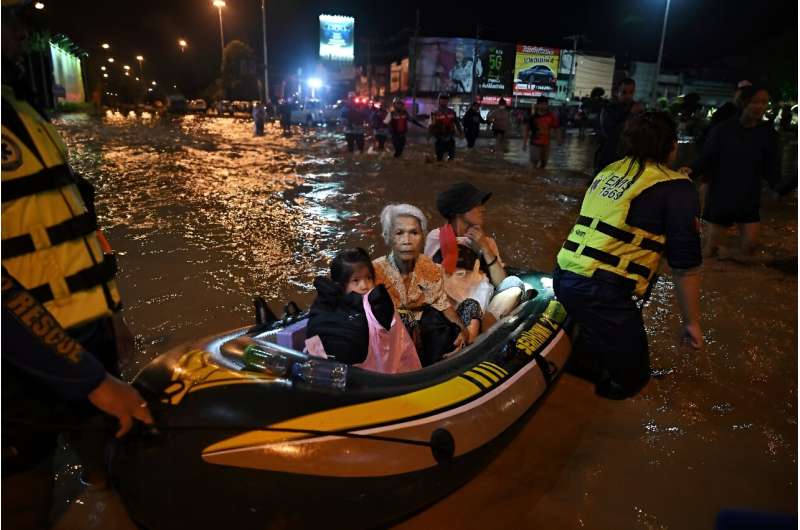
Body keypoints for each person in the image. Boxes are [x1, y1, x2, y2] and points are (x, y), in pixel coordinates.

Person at [2, 3, 153, 527]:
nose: (21, 33)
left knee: (106, 476)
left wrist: (109, 313)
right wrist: (88, 378)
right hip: (21, 368)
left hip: (85, 342)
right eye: (8, 19)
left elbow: (69, 227)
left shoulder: (21, 113)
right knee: (23, 497)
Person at [554, 112, 703, 399]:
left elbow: (641, 203)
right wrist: (691, 323)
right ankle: (590, 407)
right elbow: (685, 266)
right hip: (602, 293)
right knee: (635, 382)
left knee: (599, 350)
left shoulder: (610, 170)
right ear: (672, 147)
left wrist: (678, 185)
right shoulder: (678, 190)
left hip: (565, 276)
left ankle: (577, 382)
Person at [685, 85, 782, 258]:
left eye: (764, 102)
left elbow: (772, 164)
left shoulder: (767, 133)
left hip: (749, 196)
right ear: (744, 103)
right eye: (755, 102)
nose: (760, 106)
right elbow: (706, 158)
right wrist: (689, 172)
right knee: (711, 252)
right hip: (722, 196)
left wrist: (778, 187)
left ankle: (730, 259)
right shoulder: (723, 130)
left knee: (749, 250)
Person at [424, 182, 525, 341]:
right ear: (459, 211)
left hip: (483, 309)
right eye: (476, 205)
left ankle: (483, 328)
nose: (482, 209)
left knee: (514, 283)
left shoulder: (487, 242)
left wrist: (483, 246)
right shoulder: (436, 237)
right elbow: (428, 279)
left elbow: (501, 282)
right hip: (452, 310)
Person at [373, 204, 470, 366]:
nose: (407, 241)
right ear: (388, 237)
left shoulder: (429, 267)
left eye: (414, 233)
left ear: (422, 237)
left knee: (449, 317)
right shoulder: (375, 272)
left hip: (426, 335)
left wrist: (462, 331)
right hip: (391, 339)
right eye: (399, 233)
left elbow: (442, 304)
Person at [305, 248, 420, 374]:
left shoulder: (379, 304)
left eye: (369, 278)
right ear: (341, 285)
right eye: (356, 280)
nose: (365, 286)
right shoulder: (329, 307)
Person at [594, 78, 643, 173]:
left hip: (627, 160)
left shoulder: (637, 109)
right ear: (617, 92)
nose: (628, 96)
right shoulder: (608, 110)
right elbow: (612, 133)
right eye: (624, 92)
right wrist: (632, 114)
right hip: (608, 159)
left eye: (631, 92)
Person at [523, 96, 563, 169]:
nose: (543, 106)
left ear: (547, 105)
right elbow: (526, 130)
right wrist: (524, 143)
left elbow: (557, 128)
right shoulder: (533, 117)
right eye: (541, 104)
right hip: (534, 144)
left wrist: (559, 139)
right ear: (538, 105)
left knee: (544, 164)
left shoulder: (551, 116)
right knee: (534, 162)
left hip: (546, 144)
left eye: (545, 104)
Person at [428, 92, 463, 161]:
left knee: (451, 157)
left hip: (450, 137)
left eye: (446, 99)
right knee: (439, 158)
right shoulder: (434, 113)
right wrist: (428, 137)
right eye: (442, 99)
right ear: (439, 100)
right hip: (439, 138)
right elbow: (431, 126)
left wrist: (461, 132)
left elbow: (457, 123)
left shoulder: (452, 112)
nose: (444, 101)